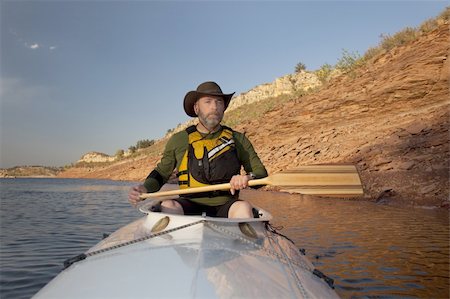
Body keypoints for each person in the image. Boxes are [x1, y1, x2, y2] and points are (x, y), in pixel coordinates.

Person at [128, 81, 267, 218]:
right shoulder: (179, 140)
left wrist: (248, 177)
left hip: (227, 206)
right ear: (196, 108)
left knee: (244, 207)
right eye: (208, 101)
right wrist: (144, 188)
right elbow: (161, 173)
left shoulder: (238, 139)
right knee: (169, 205)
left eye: (219, 102)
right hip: (188, 204)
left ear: (224, 108)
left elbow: (261, 173)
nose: (214, 107)